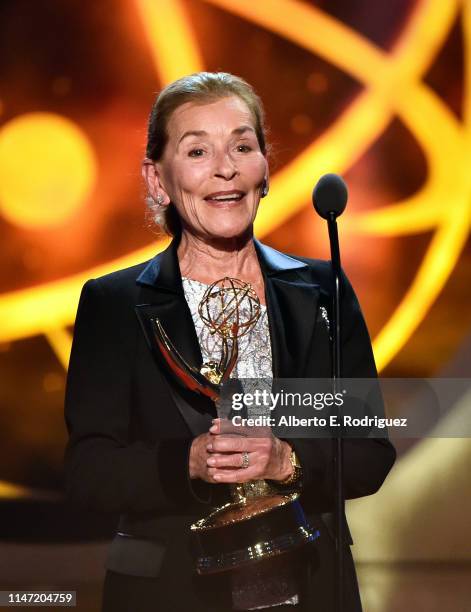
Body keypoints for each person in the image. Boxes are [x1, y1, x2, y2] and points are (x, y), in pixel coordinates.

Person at [64, 71, 396, 612]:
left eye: (243, 146)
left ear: (265, 169)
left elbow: (368, 452)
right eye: (198, 151)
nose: (226, 168)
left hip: (311, 587)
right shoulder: (114, 304)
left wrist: (288, 460)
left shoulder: (322, 291)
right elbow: (88, 471)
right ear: (157, 179)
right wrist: (189, 461)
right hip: (170, 591)